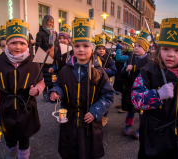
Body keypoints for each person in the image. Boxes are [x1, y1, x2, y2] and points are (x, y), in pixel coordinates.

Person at [131, 18, 178, 159]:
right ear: (159, 49)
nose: (171, 54)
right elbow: (135, 99)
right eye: (166, 49)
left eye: (177, 50)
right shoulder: (148, 71)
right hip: (154, 134)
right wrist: (157, 95)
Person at [47, 18, 114, 159]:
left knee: (89, 151)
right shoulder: (65, 70)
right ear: (73, 47)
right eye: (77, 46)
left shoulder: (100, 72)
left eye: (86, 46)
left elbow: (108, 95)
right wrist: (55, 92)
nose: (81, 49)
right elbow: (60, 85)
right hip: (69, 120)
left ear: (92, 48)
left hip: (90, 120)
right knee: (70, 151)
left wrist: (96, 111)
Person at [0, 19, 45, 159]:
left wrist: (36, 89)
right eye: (13, 43)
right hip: (6, 107)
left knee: (24, 137)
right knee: (10, 136)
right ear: (7, 44)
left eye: (22, 43)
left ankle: (23, 156)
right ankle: (11, 153)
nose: (18, 47)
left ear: (27, 44)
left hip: (26, 106)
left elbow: (41, 82)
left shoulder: (33, 62)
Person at [121, 29, 151, 139]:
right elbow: (122, 73)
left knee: (141, 111)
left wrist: (134, 69)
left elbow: (149, 75)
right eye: (135, 45)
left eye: (140, 46)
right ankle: (128, 125)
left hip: (143, 90)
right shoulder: (130, 59)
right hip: (130, 88)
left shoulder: (150, 61)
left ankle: (141, 128)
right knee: (130, 108)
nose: (136, 48)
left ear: (146, 48)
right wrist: (126, 70)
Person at [94, 33, 117, 126]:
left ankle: (104, 116)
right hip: (95, 82)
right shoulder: (93, 57)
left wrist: (103, 70)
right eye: (99, 48)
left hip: (105, 82)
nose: (101, 50)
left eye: (103, 48)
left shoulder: (109, 59)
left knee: (104, 99)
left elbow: (114, 71)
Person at [35, 15, 58, 100]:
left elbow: (57, 45)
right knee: (44, 76)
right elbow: (38, 47)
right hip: (44, 57)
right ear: (45, 22)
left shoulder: (55, 33)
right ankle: (45, 92)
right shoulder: (40, 33)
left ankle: (52, 91)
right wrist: (43, 55)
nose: (51, 23)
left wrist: (53, 51)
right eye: (49, 21)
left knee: (52, 75)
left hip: (53, 57)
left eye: (52, 22)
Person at [115, 36, 135, 113]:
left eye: (123, 44)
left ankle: (125, 107)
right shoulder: (126, 53)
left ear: (127, 46)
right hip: (121, 74)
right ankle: (122, 104)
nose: (121, 45)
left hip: (126, 77)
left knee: (125, 92)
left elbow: (119, 58)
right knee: (122, 91)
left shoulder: (129, 54)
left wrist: (119, 49)